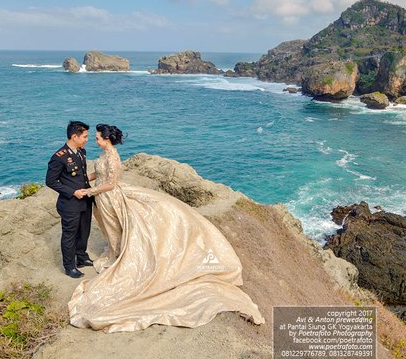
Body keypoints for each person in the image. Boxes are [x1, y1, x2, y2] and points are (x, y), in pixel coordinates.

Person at [68, 124, 265, 332]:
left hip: (109, 197)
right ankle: (117, 253)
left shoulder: (113, 157)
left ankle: (120, 257)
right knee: (111, 229)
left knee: (116, 228)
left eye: (97, 138)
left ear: (106, 140)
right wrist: (83, 179)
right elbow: (99, 174)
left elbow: (111, 183)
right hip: (103, 198)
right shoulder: (104, 154)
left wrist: (88, 192)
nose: (95, 141)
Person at [45, 121, 94, 279]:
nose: (87, 139)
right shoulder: (59, 157)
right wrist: (73, 192)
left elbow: (82, 175)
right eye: (85, 136)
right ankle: (69, 266)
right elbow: (51, 181)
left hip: (85, 200)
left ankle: (81, 257)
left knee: (84, 231)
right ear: (74, 136)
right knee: (70, 235)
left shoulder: (81, 151)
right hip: (70, 204)